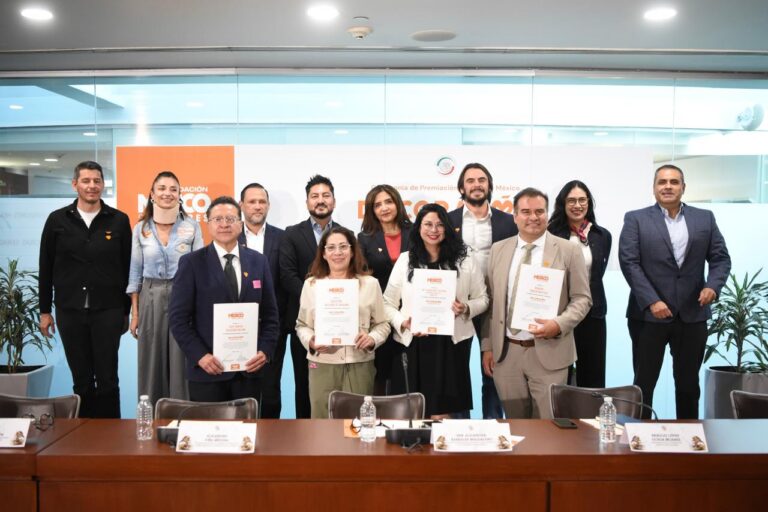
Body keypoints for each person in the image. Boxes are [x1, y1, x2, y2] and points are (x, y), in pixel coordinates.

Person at [619, 164, 730, 419]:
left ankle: (690, 444)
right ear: (654, 187)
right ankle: (639, 441)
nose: (667, 186)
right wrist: (652, 301)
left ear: (683, 187)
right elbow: (629, 262)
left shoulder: (705, 218)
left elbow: (720, 258)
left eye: (674, 182)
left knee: (689, 385)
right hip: (648, 316)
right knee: (644, 384)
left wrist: (713, 285)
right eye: (662, 182)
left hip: (692, 314)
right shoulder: (635, 218)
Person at [481, 188, 591, 419]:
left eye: (539, 211)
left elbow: (582, 298)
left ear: (547, 214)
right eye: (526, 211)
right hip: (506, 353)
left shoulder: (569, 249)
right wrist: (488, 346)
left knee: (548, 428)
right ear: (515, 216)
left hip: (550, 351)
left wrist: (559, 324)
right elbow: (492, 303)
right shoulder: (498, 250)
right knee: (516, 425)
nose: (533, 217)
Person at [38, 160, 132, 418]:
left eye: (97, 181)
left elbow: (127, 269)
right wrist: (44, 311)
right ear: (75, 184)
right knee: (81, 380)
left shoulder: (119, 220)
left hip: (109, 310)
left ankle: (111, 439)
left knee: (108, 379)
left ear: (103, 184)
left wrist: (126, 312)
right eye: (86, 181)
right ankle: (83, 439)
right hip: (70, 310)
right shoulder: (57, 220)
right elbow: (45, 266)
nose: (92, 186)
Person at [383, 203, 488, 418]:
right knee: (412, 413)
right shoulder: (405, 260)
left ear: (447, 228)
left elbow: (483, 299)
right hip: (413, 343)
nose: (433, 230)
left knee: (446, 417)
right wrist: (403, 322)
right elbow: (386, 304)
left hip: (451, 346)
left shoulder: (465, 260)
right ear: (419, 228)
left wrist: (466, 307)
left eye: (440, 225)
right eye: (428, 224)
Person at [169, 196, 278, 402]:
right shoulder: (191, 263)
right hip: (208, 371)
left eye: (230, 218)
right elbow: (178, 320)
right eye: (217, 219)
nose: (224, 224)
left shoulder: (258, 261)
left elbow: (271, 316)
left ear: (241, 222)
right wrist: (200, 356)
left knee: (247, 432)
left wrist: (265, 351)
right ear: (208, 224)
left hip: (249, 371)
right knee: (208, 433)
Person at [296, 227, 391, 418]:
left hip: (360, 363)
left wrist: (372, 338)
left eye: (343, 247)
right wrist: (311, 341)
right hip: (322, 363)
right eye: (331, 248)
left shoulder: (370, 284)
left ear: (353, 250)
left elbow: (383, 324)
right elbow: (301, 325)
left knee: (358, 425)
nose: (337, 253)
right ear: (323, 253)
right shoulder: (311, 285)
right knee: (322, 426)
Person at [448, 162, 518, 418]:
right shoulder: (448, 221)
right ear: (461, 188)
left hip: (497, 304)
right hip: (459, 305)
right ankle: (457, 427)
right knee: (456, 371)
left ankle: (493, 426)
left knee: (494, 370)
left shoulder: (509, 221)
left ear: (489, 185)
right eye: (470, 180)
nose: (476, 185)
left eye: (481, 180)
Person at [127, 171, 203, 405]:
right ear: (152, 194)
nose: (167, 193)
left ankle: (183, 415)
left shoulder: (192, 227)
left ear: (180, 195)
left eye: (173, 189)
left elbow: (200, 269)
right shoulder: (141, 229)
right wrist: (135, 313)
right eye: (161, 188)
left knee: (182, 359)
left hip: (184, 297)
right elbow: (135, 272)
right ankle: (152, 416)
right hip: (151, 295)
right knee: (152, 359)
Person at [280, 175, 344, 418]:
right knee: (304, 384)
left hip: (341, 321)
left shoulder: (346, 235)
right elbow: (287, 276)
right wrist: (317, 302)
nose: (320, 201)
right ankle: (306, 440)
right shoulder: (291, 234)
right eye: (315, 196)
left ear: (334, 201)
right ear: (307, 202)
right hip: (304, 323)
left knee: (338, 386)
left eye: (325, 195)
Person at [548, 180, 612, 388]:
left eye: (582, 200)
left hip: (593, 313)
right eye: (572, 200)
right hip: (560, 315)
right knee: (558, 375)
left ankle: (590, 420)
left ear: (589, 203)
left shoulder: (602, 235)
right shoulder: (550, 235)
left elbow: (597, 274)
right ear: (563, 204)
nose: (577, 205)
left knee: (593, 377)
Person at [357, 184, 412, 395]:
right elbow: (362, 276)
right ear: (372, 210)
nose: (384, 208)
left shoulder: (416, 232)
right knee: (379, 373)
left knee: (405, 371)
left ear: (397, 203)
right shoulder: (364, 238)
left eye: (388, 202)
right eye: (378, 204)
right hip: (378, 314)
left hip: (410, 314)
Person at [238, 182, 286, 418]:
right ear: (242, 205)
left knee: (270, 390)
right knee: (239, 390)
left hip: (271, 327)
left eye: (262, 202)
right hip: (236, 327)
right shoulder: (230, 236)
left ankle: (271, 445)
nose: (257, 207)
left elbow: (285, 279)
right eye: (252, 202)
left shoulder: (283, 237)